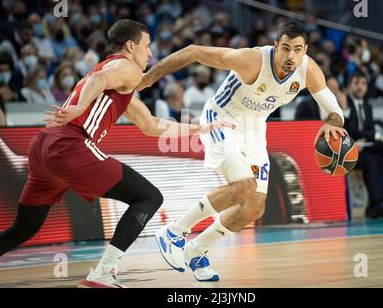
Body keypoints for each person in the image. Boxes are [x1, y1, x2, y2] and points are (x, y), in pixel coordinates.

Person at [0, 19, 232, 288]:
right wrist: (81, 107)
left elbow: (152, 125)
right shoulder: (126, 68)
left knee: (23, 229)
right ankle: (104, 272)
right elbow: (99, 79)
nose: (150, 53)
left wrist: (201, 128)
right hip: (69, 145)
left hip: (44, 146)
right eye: (147, 46)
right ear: (130, 46)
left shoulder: (121, 81)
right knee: (149, 197)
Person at [139, 21, 347, 281]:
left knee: (254, 208)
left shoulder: (308, 71)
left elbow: (334, 109)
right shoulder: (251, 60)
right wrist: (147, 80)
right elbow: (192, 51)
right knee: (243, 186)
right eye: (285, 48)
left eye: (297, 49)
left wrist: (332, 122)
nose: (291, 55)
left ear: (305, 50)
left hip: (255, 128)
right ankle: (174, 232)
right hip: (222, 118)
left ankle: (197, 249)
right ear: (276, 47)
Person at [344, 71, 383, 219]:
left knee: (376, 158)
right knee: (381, 147)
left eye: (363, 83)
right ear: (349, 86)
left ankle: (375, 206)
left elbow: (368, 130)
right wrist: (375, 136)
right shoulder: (345, 103)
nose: (360, 87)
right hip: (348, 150)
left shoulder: (368, 106)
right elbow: (350, 129)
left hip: (363, 149)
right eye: (356, 83)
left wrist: (364, 140)